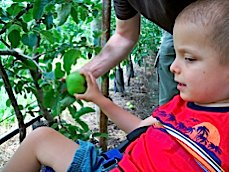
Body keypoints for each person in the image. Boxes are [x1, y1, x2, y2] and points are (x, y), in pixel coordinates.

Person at [3, 0, 229, 171]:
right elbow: (141, 129)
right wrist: (99, 99)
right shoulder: (178, 105)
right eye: (177, 56)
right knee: (40, 137)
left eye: (189, 58)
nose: (172, 67)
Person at [80, 0, 196, 105]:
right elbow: (125, 35)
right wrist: (87, 72)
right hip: (175, 31)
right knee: (170, 111)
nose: (173, 67)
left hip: (209, 30)